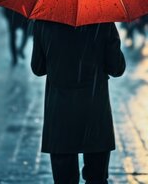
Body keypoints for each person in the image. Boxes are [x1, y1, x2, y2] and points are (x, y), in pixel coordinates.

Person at [31, 20, 125, 183]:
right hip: (94, 111)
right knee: (97, 178)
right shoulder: (102, 21)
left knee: (64, 179)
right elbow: (116, 68)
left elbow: (38, 68)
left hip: (60, 113)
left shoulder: (44, 22)